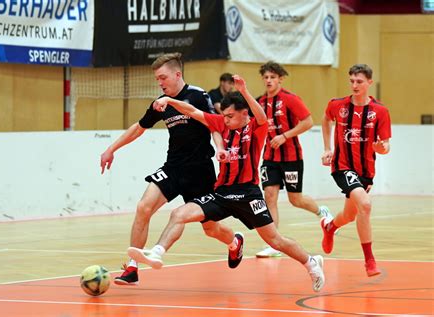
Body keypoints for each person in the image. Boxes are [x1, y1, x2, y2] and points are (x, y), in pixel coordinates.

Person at [127, 75, 326, 293]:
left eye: (231, 116)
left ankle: (310, 262)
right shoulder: (221, 123)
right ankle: (157, 252)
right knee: (179, 214)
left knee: (274, 240)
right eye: (225, 115)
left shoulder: (257, 128)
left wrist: (245, 90)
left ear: (244, 114)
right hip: (222, 193)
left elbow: (260, 115)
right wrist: (170, 100)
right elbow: (192, 111)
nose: (226, 120)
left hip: (248, 194)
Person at [100, 52, 233, 285]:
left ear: (177, 74)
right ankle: (132, 268)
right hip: (173, 168)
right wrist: (111, 149)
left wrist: (220, 148)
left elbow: (215, 126)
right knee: (144, 207)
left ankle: (234, 241)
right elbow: (139, 128)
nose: (160, 83)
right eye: (157, 80)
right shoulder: (161, 103)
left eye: (163, 78)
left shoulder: (198, 96)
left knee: (211, 228)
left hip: (200, 171)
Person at [255, 62, 333, 258]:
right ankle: (274, 243)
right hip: (269, 158)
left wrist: (285, 136)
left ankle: (320, 211)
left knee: (295, 199)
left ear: (280, 79)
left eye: (273, 77)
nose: (269, 80)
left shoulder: (290, 99)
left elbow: (308, 121)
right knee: (269, 197)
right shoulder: (260, 102)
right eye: (266, 77)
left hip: (291, 157)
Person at [320, 64, 391, 277]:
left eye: (359, 81)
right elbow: (325, 120)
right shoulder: (337, 105)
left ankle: (330, 227)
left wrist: (381, 148)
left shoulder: (380, 111)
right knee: (366, 206)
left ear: (369, 82)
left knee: (351, 215)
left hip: (366, 171)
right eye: (351, 81)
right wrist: (327, 148)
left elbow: (385, 145)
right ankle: (369, 260)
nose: (354, 85)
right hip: (342, 166)